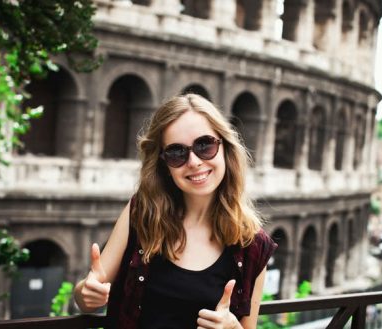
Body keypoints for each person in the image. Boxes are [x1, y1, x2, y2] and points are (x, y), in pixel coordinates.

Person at [74, 94, 277, 328]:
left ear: (225, 148)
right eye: (177, 152)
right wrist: (87, 293)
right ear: (163, 163)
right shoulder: (141, 212)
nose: (194, 162)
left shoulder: (252, 243)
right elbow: (87, 298)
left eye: (205, 145)